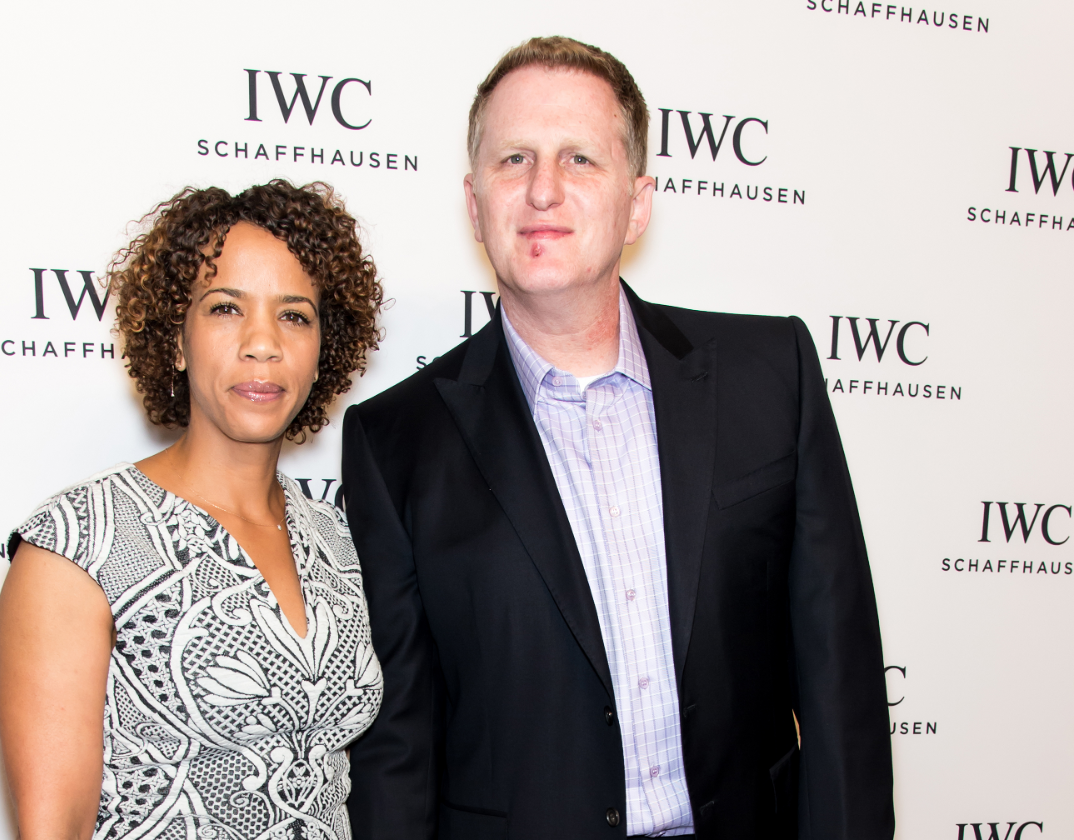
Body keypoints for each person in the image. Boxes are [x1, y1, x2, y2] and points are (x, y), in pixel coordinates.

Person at [342, 36, 893, 840]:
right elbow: (399, 746)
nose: (543, 190)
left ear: (638, 204)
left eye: (580, 159)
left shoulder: (772, 374)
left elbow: (841, 680)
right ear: (474, 203)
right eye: (514, 160)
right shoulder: (395, 440)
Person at [0, 180, 385, 840]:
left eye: (294, 316)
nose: (262, 342)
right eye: (226, 308)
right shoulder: (80, 542)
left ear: (325, 349)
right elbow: (54, 826)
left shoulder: (337, 538)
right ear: (176, 340)